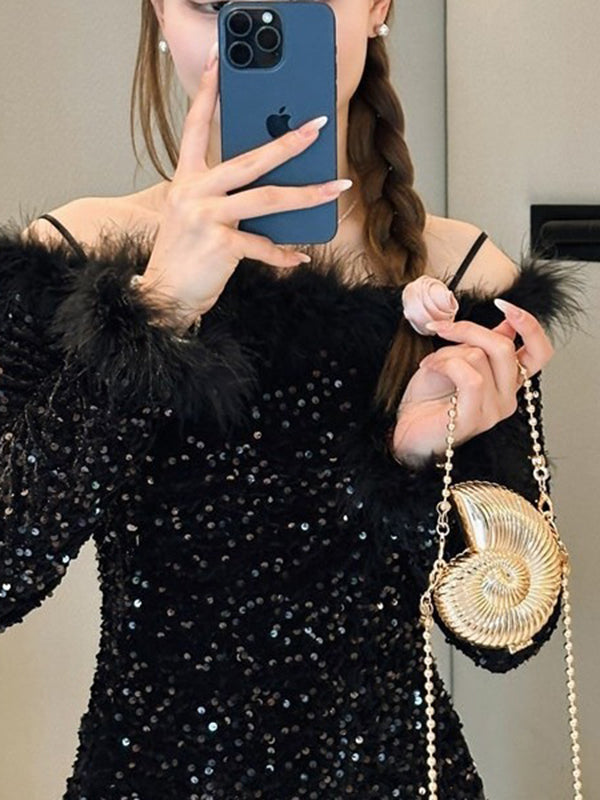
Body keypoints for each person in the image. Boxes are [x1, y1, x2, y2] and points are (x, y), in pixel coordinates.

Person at [0, 1, 584, 798]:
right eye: (211, 2)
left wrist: (425, 461)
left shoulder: (463, 276)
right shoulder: (74, 255)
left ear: (377, 6)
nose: (259, 15)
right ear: (160, 17)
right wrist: (154, 315)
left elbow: (509, 637)